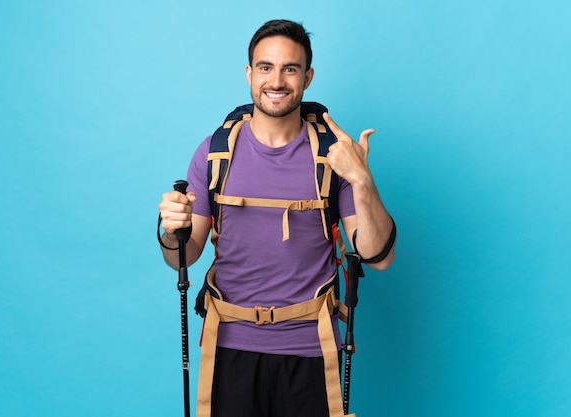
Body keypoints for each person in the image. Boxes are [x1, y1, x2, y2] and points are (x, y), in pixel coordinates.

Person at [158, 19, 395, 417]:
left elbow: (378, 256)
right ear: (249, 73)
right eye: (266, 67)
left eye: (290, 68)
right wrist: (172, 231)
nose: (277, 80)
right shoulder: (215, 153)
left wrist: (362, 180)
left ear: (308, 77)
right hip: (229, 344)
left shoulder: (332, 155)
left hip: (311, 347)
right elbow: (183, 257)